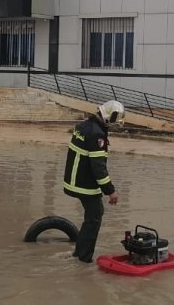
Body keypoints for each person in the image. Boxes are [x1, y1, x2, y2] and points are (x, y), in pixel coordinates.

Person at [63, 100, 124, 263]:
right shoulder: (97, 134)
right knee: (95, 216)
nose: (113, 126)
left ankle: (78, 252)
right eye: (114, 122)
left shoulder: (85, 126)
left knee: (91, 217)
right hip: (85, 185)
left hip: (74, 180)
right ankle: (83, 259)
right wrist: (110, 191)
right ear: (109, 117)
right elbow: (99, 168)